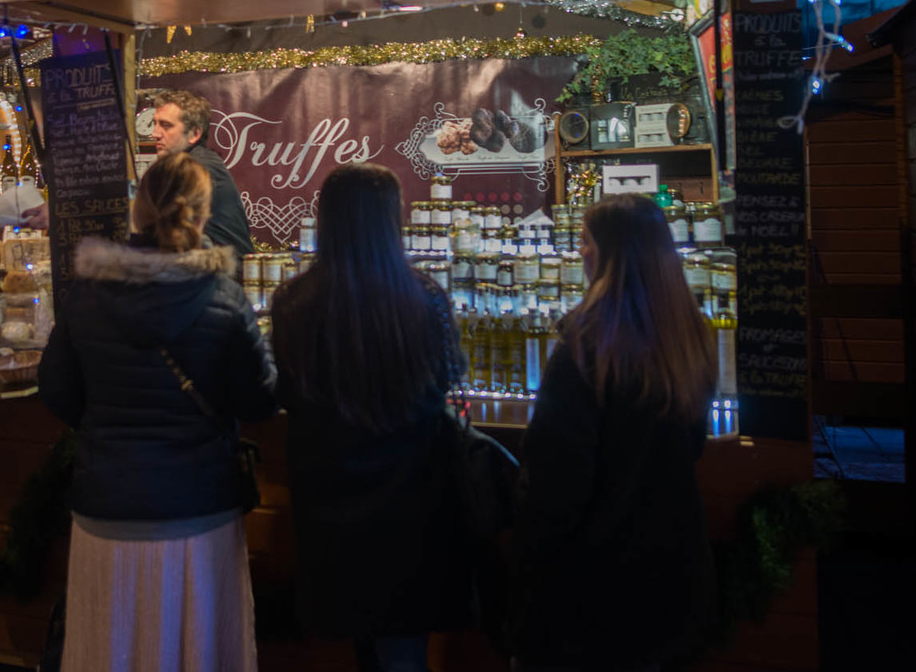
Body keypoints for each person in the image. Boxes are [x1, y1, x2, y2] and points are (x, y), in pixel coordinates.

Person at [37, 151, 277, 672]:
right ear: (202, 213)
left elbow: (54, 390)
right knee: (197, 648)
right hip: (200, 506)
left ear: (138, 210)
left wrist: (107, 426)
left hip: (107, 504)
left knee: (110, 647)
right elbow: (258, 400)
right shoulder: (224, 296)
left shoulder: (88, 294)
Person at [268, 162, 471, 672]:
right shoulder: (424, 297)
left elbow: (285, 391)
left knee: (338, 643)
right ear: (390, 220)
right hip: (410, 497)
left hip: (326, 499)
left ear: (328, 220)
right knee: (404, 648)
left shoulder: (292, 300)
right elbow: (449, 376)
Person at [511, 194, 718, 672]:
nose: (578, 252)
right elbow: (694, 446)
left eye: (584, 242)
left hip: (591, 597)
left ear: (609, 254)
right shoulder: (690, 336)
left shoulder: (586, 347)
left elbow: (555, 487)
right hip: (673, 583)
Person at [151, 90, 254, 256]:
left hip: (225, 274)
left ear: (195, 134)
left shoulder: (196, 168)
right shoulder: (193, 161)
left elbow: (170, 233)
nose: (155, 134)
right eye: (154, 124)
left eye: (166, 125)